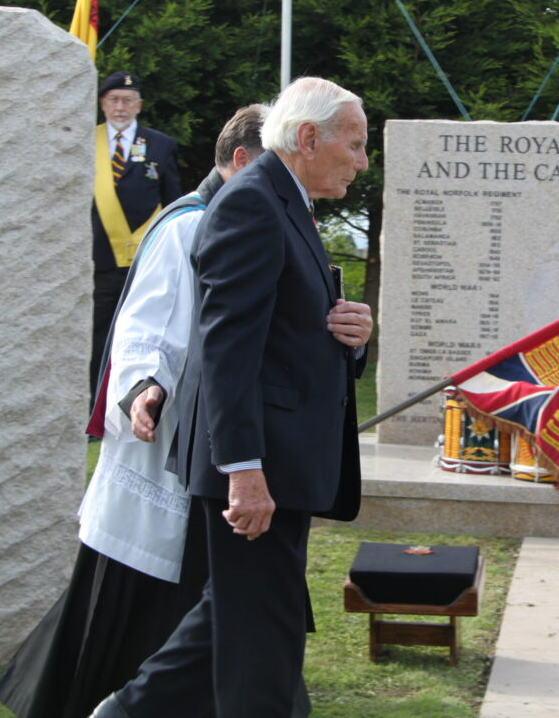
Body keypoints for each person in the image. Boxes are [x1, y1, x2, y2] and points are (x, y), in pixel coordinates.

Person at [90, 77, 373, 718]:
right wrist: (244, 472)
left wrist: (349, 335)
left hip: (283, 459)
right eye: (354, 146)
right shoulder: (253, 203)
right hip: (260, 463)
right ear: (307, 139)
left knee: (234, 619)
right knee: (260, 647)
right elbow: (228, 352)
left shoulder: (283, 200)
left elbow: (284, 335)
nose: (361, 161)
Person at [0, 106, 268, 718]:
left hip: (210, 435)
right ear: (244, 162)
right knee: (149, 586)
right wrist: (144, 386)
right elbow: (149, 323)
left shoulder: (244, 220)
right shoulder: (188, 227)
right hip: (167, 435)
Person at [89, 71, 183, 403]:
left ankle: (134, 398)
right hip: (97, 259)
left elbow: (174, 204)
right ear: (102, 104)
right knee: (98, 336)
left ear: (139, 105)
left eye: (127, 100)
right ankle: (95, 405)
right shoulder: (86, 141)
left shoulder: (160, 145)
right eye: (113, 99)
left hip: (146, 260)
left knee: (142, 333)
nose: (120, 107)